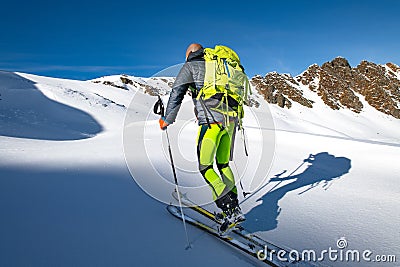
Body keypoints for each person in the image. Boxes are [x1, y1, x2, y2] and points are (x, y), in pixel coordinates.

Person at [159, 43, 245, 225]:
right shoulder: (221, 65)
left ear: (190, 53)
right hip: (231, 122)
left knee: (205, 167)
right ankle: (235, 207)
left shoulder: (191, 65)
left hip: (212, 122)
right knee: (223, 165)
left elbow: (177, 92)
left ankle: (227, 207)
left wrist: (167, 119)